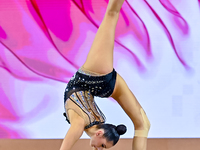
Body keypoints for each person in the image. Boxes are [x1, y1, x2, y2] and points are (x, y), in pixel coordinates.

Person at [60, 0, 150, 150]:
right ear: (100, 133)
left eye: (102, 147)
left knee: (144, 125)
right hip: (93, 77)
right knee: (111, 15)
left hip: (102, 85)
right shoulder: (82, 124)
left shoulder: (91, 123)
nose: (99, 149)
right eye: (103, 146)